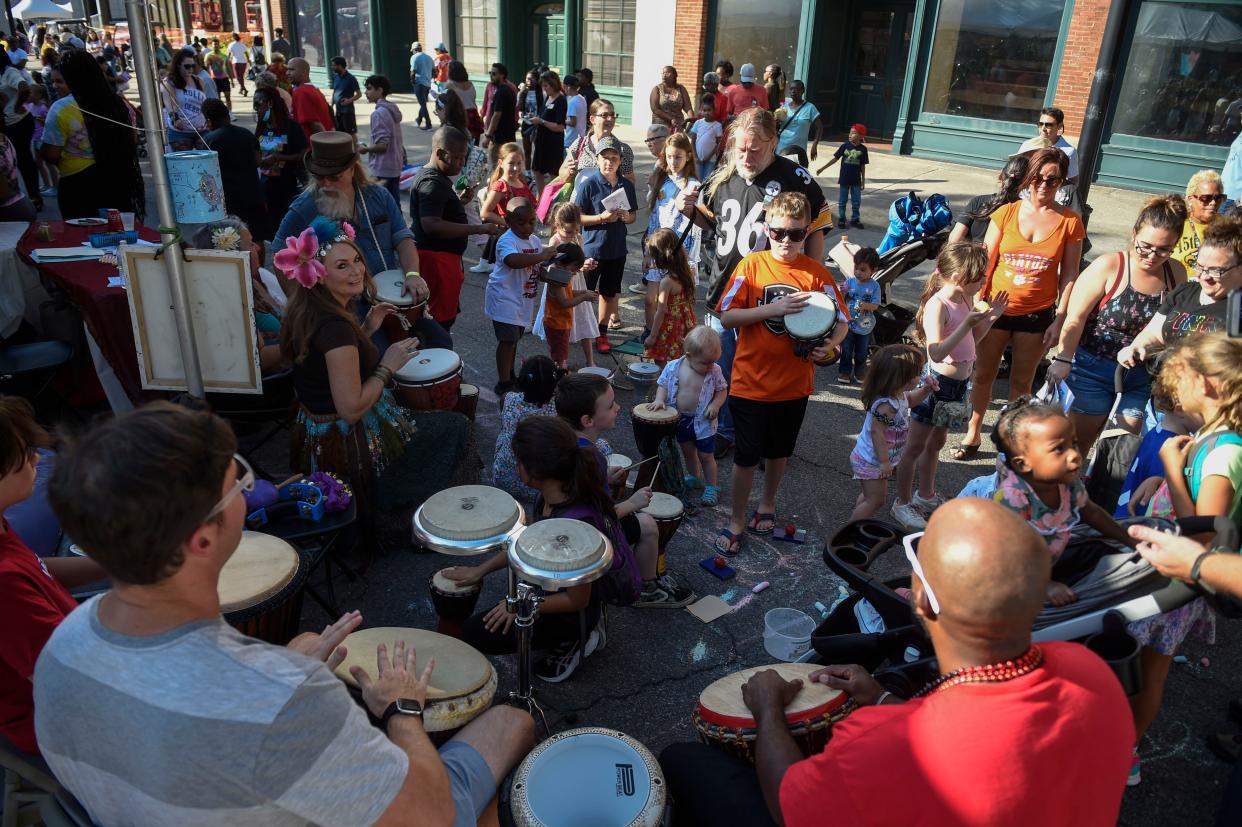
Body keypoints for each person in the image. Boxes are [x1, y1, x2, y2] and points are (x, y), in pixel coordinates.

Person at [35, 402, 535, 826]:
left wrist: (280, 674)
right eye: (240, 485)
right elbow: (430, 813)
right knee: (509, 724)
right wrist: (399, 710)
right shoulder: (283, 701)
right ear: (202, 538)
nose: (248, 491)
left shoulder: (63, 645)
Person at [661, 497, 1135, 826]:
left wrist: (767, 712)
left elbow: (790, 808)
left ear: (921, 599)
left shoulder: (890, 745)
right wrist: (884, 697)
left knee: (680, 761)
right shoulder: (1092, 674)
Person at [677, 105, 831, 459]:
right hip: (724, 289)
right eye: (740, 148)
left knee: (762, 372)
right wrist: (690, 210)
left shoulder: (796, 178)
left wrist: (810, 277)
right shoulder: (724, 173)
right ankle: (728, 429)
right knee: (721, 367)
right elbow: (714, 225)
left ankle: (757, 439)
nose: (745, 156)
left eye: (755, 148)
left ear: (774, 141)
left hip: (771, 294)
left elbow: (817, 228)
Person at [445, 415, 634, 681]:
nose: (515, 466)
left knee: (475, 634)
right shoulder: (549, 494)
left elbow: (577, 599)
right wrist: (479, 571)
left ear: (535, 471)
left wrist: (519, 604)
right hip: (547, 588)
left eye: (518, 460)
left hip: (573, 609)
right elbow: (526, 541)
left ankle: (580, 637)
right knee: (479, 627)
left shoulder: (574, 524)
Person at [713, 191, 848, 555]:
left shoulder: (816, 273)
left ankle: (768, 504)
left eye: (796, 233)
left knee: (779, 452)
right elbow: (725, 316)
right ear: (766, 229)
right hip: (749, 383)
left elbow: (842, 320)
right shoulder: (751, 266)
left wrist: (829, 346)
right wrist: (772, 309)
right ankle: (737, 518)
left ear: (808, 232)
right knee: (744, 456)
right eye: (778, 232)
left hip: (794, 385)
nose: (786, 241)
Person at [278, 216, 418, 555]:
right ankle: (410, 526)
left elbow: (326, 366)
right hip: (348, 441)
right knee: (452, 432)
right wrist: (387, 365)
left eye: (356, 260)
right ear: (319, 274)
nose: (356, 271)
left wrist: (367, 329)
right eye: (342, 265)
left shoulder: (307, 310)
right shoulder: (336, 329)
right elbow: (351, 409)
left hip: (319, 434)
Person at [957, 147, 1085, 459]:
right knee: (983, 374)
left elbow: (1070, 274)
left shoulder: (1070, 222)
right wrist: (977, 304)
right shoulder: (1006, 213)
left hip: (1037, 315)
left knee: (1021, 382)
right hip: (995, 311)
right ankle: (973, 433)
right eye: (1038, 178)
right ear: (1028, 178)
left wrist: (1061, 318)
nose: (1044, 185)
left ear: (1063, 182)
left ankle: (1009, 441)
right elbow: (986, 262)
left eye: (1053, 180)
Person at [0, 397, 106, 759]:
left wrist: (114, 565)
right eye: (23, 451)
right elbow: (73, 687)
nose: (36, 458)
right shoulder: (4, 587)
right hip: (61, 726)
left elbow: (34, 567)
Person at [275, 132, 450, 351]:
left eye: (334, 176)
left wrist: (413, 275)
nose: (326, 183)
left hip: (394, 298)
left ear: (352, 168)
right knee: (379, 357)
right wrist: (304, 306)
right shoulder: (304, 207)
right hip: (349, 309)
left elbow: (403, 238)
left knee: (441, 343)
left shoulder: (378, 195)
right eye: (320, 176)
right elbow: (279, 255)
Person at [1045, 196, 1189, 457]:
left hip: (1141, 375)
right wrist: (1064, 358)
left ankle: (1099, 493)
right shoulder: (1110, 265)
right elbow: (1076, 318)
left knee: (1119, 451)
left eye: (1163, 249)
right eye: (1145, 246)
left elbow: (1172, 324)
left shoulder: (1176, 273)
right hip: (1092, 370)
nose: (1152, 256)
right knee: (1076, 448)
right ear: (1134, 234)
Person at [554, 373, 695, 609]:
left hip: (563, 531)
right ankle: (647, 590)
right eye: (610, 406)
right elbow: (595, 518)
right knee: (648, 525)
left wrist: (604, 477)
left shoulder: (566, 443)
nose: (618, 407)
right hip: (583, 539)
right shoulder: (588, 458)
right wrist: (633, 503)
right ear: (588, 420)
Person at [893, 241, 1006, 528]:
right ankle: (902, 503)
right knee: (915, 447)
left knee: (937, 443)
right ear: (957, 277)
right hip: (936, 384)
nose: (984, 280)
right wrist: (968, 324)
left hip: (958, 385)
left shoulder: (967, 299)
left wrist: (991, 317)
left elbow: (972, 341)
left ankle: (926, 494)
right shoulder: (938, 305)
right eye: (979, 275)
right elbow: (936, 352)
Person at [410, 126, 504, 330]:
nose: (462, 164)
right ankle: (438, 355)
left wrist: (459, 203)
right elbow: (431, 225)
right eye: (459, 158)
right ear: (440, 154)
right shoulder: (431, 183)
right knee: (439, 319)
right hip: (437, 260)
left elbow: (437, 213)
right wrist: (479, 229)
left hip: (443, 259)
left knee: (444, 313)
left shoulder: (436, 179)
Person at [1119, 215, 1242, 367]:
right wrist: (1138, 347)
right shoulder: (1184, 292)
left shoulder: (1237, 307)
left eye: (1216, 271)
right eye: (1200, 267)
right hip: (1163, 385)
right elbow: (1154, 334)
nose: (1204, 277)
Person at [41, 49, 143, 221]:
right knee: (118, 237)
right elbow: (132, 140)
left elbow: (50, 154)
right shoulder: (120, 103)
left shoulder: (61, 109)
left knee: (83, 240)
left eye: (59, 81)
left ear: (72, 79)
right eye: (53, 82)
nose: (54, 86)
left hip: (78, 187)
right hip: (119, 181)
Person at [847, 344, 934, 521]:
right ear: (901, 377)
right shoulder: (886, 405)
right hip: (871, 460)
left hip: (875, 458)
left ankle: (858, 521)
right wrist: (884, 462)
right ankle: (848, 533)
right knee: (876, 500)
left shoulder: (899, 394)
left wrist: (926, 390)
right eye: (917, 372)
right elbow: (876, 433)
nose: (921, 375)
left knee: (869, 496)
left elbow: (911, 400)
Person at [572, 135, 637, 353]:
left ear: (620, 160)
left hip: (617, 249)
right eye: (605, 157)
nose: (609, 162)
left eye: (614, 157)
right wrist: (601, 218)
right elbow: (577, 218)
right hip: (593, 248)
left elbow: (633, 215)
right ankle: (579, 329)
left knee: (609, 294)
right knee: (585, 292)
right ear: (597, 160)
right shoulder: (589, 184)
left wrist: (626, 217)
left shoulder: (626, 185)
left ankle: (601, 332)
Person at [651, 325, 728, 506]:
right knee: (687, 451)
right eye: (705, 363)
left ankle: (711, 487)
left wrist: (716, 404)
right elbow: (662, 384)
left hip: (704, 422)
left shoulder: (715, 370)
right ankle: (694, 476)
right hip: (681, 419)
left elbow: (722, 390)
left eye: (713, 362)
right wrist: (659, 399)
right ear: (688, 355)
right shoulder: (673, 367)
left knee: (706, 456)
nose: (710, 367)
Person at [485, 201, 556, 393]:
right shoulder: (506, 240)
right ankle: (504, 383)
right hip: (504, 298)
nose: (527, 227)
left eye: (531, 222)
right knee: (507, 341)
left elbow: (537, 268)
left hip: (522, 299)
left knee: (514, 339)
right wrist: (542, 256)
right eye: (521, 222)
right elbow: (513, 261)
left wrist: (552, 277)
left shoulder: (533, 241)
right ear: (508, 221)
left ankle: (510, 374)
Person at [644, 132, 700, 336]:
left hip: (678, 255)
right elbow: (653, 219)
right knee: (650, 299)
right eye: (669, 156)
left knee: (677, 303)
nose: (673, 161)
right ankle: (650, 333)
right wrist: (647, 252)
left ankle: (676, 340)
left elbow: (693, 227)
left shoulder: (692, 186)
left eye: (678, 156)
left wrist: (687, 260)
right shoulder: (663, 181)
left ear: (688, 156)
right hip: (658, 251)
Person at [492, 355, 561, 496]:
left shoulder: (508, 398)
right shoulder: (559, 408)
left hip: (503, 479)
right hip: (539, 488)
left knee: (506, 432)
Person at [543, 203, 599, 369]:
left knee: (583, 319)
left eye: (576, 229)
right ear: (557, 225)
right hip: (561, 280)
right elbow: (553, 266)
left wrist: (583, 267)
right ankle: (562, 363)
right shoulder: (555, 240)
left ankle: (589, 360)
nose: (573, 233)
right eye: (569, 231)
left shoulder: (578, 238)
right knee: (561, 326)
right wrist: (581, 293)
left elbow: (577, 262)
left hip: (575, 278)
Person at [202, 99, 267, 239]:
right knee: (256, 237)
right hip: (253, 195)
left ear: (209, 120)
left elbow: (205, 173)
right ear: (227, 115)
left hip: (228, 200)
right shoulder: (247, 134)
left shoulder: (209, 140)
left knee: (229, 240)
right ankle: (259, 262)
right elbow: (258, 161)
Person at [253, 86, 306, 231]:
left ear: (270, 103)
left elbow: (304, 154)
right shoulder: (261, 127)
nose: (256, 108)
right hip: (267, 189)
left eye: (258, 103)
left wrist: (279, 157)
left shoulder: (291, 126)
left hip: (288, 188)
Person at [643, 228, 699, 366]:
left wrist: (652, 336)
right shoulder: (688, 271)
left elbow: (661, 311)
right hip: (685, 325)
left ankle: (666, 386)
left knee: (662, 362)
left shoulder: (666, 282)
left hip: (669, 328)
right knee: (680, 362)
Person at [948, 155, 1031, 243]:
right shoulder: (1025, 211)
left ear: (1000, 176)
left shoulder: (978, 202)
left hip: (971, 255)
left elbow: (954, 239)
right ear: (1028, 183)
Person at [560, 98, 637, 185]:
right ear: (593, 119)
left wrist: (614, 180)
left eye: (612, 115)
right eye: (604, 115)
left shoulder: (622, 149)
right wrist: (569, 172)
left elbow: (630, 181)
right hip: (580, 198)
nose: (610, 119)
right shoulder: (579, 144)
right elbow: (562, 174)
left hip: (608, 198)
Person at [0, 48, 39, 211]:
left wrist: (17, 105)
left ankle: (34, 197)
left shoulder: (9, 72)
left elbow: (24, 88)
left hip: (19, 122)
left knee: (22, 160)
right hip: (8, 122)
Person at [836, 246, 881, 384]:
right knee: (847, 349)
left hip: (865, 325)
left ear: (873, 270)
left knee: (861, 352)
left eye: (863, 270)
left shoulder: (874, 286)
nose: (858, 272)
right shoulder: (850, 282)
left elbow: (875, 305)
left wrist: (863, 305)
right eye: (856, 268)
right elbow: (842, 300)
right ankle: (844, 372)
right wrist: (842, 292)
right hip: (849, 323)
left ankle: (859, 371)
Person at [358, 74, 404, 203]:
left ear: (380, 90)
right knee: (393, 203)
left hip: (382, 167)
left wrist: (365, 149)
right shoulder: (391, 109)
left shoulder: (378, 113)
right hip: (395, 165)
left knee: (380, 205)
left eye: (369, 88)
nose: (366, 92)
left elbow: (382, 145)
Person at [1173, 169, 1226, 272]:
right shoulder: (1176, 223)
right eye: (1206, 198)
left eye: (1218, 198)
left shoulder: (1226, 227)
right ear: (1190, 199)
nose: (1213, 203)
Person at [819, 123, 868, 229]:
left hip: (856, 180)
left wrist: (863, 181)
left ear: (861, 136)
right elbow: (835, 159)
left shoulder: (863, 149)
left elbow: (862, 166)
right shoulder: (844, 146)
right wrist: (822, 168)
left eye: (853, 133)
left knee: (856, 202)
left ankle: (855, 219)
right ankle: (842, 219)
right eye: (850, 133)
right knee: (842, 201)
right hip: (844, 179)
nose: (850, 135)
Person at [160, 47, 208, 150]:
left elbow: (204, 103)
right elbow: (170, 103)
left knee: (205, 161)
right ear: (178, 66)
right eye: (187, 66)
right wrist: (175, 118)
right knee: (184, 163)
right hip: (180, 131)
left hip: (201, 129)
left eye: (193, 66)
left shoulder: (199, 81)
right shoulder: (169, 82)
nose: (191, 69)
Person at [528, 70, 566, 194]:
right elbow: (544, 115)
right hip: (541, 141)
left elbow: (560, 127)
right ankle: (542, 196)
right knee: (537, 170)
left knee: (553, 173)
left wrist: (541, 121)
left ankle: (553, 199)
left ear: (553, 84)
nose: (544, 89)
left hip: (553, 143)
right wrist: (535, 117)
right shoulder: (548, 98)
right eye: (543, 86)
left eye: (546, 86)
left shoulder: (561, 100)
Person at [288, 57, 333, 138]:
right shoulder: (313, 89)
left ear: (304, 72)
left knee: (264, 144)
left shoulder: (301, 92)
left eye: (291, 70)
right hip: (317, 144)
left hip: (311, 146)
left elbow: (315, 124)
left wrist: (327, 144)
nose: (287, 73)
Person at [481, 63, 518, 160]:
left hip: (500, 138)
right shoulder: (507, 89)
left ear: (502, 75)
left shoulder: (502, 92)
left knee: (495, 166)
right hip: (507, 135)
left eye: (494, 74)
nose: (491, 76)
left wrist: (488, 136)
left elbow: (496, 115)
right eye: (490, 73)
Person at [25, 84, 55, 196]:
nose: (28, 94)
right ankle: (47, 185)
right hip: (34, 138)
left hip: (42, 138)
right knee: (39, 163)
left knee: (48, 163)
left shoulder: (43, 108)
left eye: (30, 92)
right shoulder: (29, 105)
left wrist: (41, 120)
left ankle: (55, 187)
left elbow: (48, 123)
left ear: (38, 95)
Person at [1035, 106, 1079, 182]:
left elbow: (1073, 181)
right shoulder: (1029, 145)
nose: (1043, 128)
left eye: (1048, 125)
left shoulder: (1069, 151)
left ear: (1059, 126)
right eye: (1041, 124)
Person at [444, 60, 481, 140]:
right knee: (474, 143)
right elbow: (473, 99)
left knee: (460, 143)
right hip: (473, 115)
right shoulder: (470, 84)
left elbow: (446, 102)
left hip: (460, 115)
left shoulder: (450, 84)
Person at [689, 93, 722, 181]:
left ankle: (705, 195)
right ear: (701, 111)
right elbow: (693, 140)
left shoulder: (717, 126)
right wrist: (695, 156)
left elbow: (718, 144)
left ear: (714, 110)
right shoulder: (698, 123)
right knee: (698, 181)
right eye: (704, 110)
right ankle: (697, 195)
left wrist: (708, 157)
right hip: (697, 159)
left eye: (709, 110)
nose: (706, 112)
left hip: (710, 160)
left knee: (706, 181)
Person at [649, 65, 692, 132]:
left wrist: (691, 120)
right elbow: (655, 109)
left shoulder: (681, 89)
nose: (664, 75)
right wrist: (671, 118)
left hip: (677, 125)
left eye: (667, 73)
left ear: (674, 75)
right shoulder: (657, 89)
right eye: (663, 73)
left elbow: (688, 108)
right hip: (661, 125)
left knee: (676, 142)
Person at [517, 68, 543, 173]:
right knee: (527, 151)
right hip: (526, 123)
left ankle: (538, 170)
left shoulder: (541, 91)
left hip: (538, 124)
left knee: (538, 150)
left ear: (537, 80)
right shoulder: (523, 91)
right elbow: (519, 108)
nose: (529, 81)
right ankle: (528, 172)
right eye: (527, 79)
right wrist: (521, 93)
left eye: (532, 79)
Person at [329, 56, 360, 135]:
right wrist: (331, 105)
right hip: (338, 111)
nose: (332, 67)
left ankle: (355, 147)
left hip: (347, 112)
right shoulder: (336, 77)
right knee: (340, 133)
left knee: (351, 134)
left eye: (333, 65)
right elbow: (335, 91)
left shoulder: (351, 78)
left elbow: (359, 94)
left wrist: (348, 101)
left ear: (340, 66)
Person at [562, 73, 587, 150]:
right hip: (581, 137)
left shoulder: (572, 102)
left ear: (568, 87)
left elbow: (573, 123)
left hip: (571, 140)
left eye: (564, 87)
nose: (563, 89)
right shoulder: (582, 98)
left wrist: (561, 121)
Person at [204, 38, 231, 107]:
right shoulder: (208, 56)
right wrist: (207, 79)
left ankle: (230, 113)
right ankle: (220, 113)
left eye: (217, 44)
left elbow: (228, 67)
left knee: (228, 97)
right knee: (218, 99)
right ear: (212, 45)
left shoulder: (224, 56)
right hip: (214, 79)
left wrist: (231, 79)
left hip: (224, 78)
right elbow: (206, 68)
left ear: (219, 45)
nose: (216, 46)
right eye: (214, 44)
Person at [228, 31, 249, 96]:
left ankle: (244, 89)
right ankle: (241, 89)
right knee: (241, 77)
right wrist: (248, 60)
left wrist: (228, 60)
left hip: (236, 62)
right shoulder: (242, 44)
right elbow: (246, 53)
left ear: (233, 38)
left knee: (237, 77)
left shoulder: (231, 44)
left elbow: (229, 54)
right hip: (243, 62)